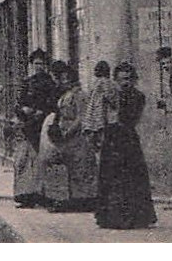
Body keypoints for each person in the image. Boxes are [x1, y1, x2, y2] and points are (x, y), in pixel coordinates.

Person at [94, 62, 157, 229]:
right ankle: (109, 218)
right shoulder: (110, 95)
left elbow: (130, 117)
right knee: (110, 177)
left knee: (130, 178)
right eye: (121, 79)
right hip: (111, 139)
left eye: (128, 79)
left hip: (127, 139)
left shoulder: (137, 96)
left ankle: (133, 218)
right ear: (115, 80)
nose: (125, 83)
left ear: (134, 80)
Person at [40, 60, 98, 212]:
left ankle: (83, 200)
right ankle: (68, 199)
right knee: (68, 168)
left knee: (80, 169)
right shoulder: (65, 95)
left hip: (77, 138)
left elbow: (81, 117)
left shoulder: (79, 95)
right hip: (66, 139)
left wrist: (67, 132)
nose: (63, 82)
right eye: (62, 78)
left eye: (66, 79)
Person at [13, 49, 59, 207]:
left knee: (42, 160)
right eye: (35, 64)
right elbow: (18, 104)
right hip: (28, 127)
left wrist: (42, 111)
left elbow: (53, 104)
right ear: (31, 65)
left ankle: (43, 196)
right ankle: (27, 196)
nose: (38, 66)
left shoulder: (50, 83)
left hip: (43, 126)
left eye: (41, 64)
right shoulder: (27, 82)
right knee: (26, 163)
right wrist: (23, 110)